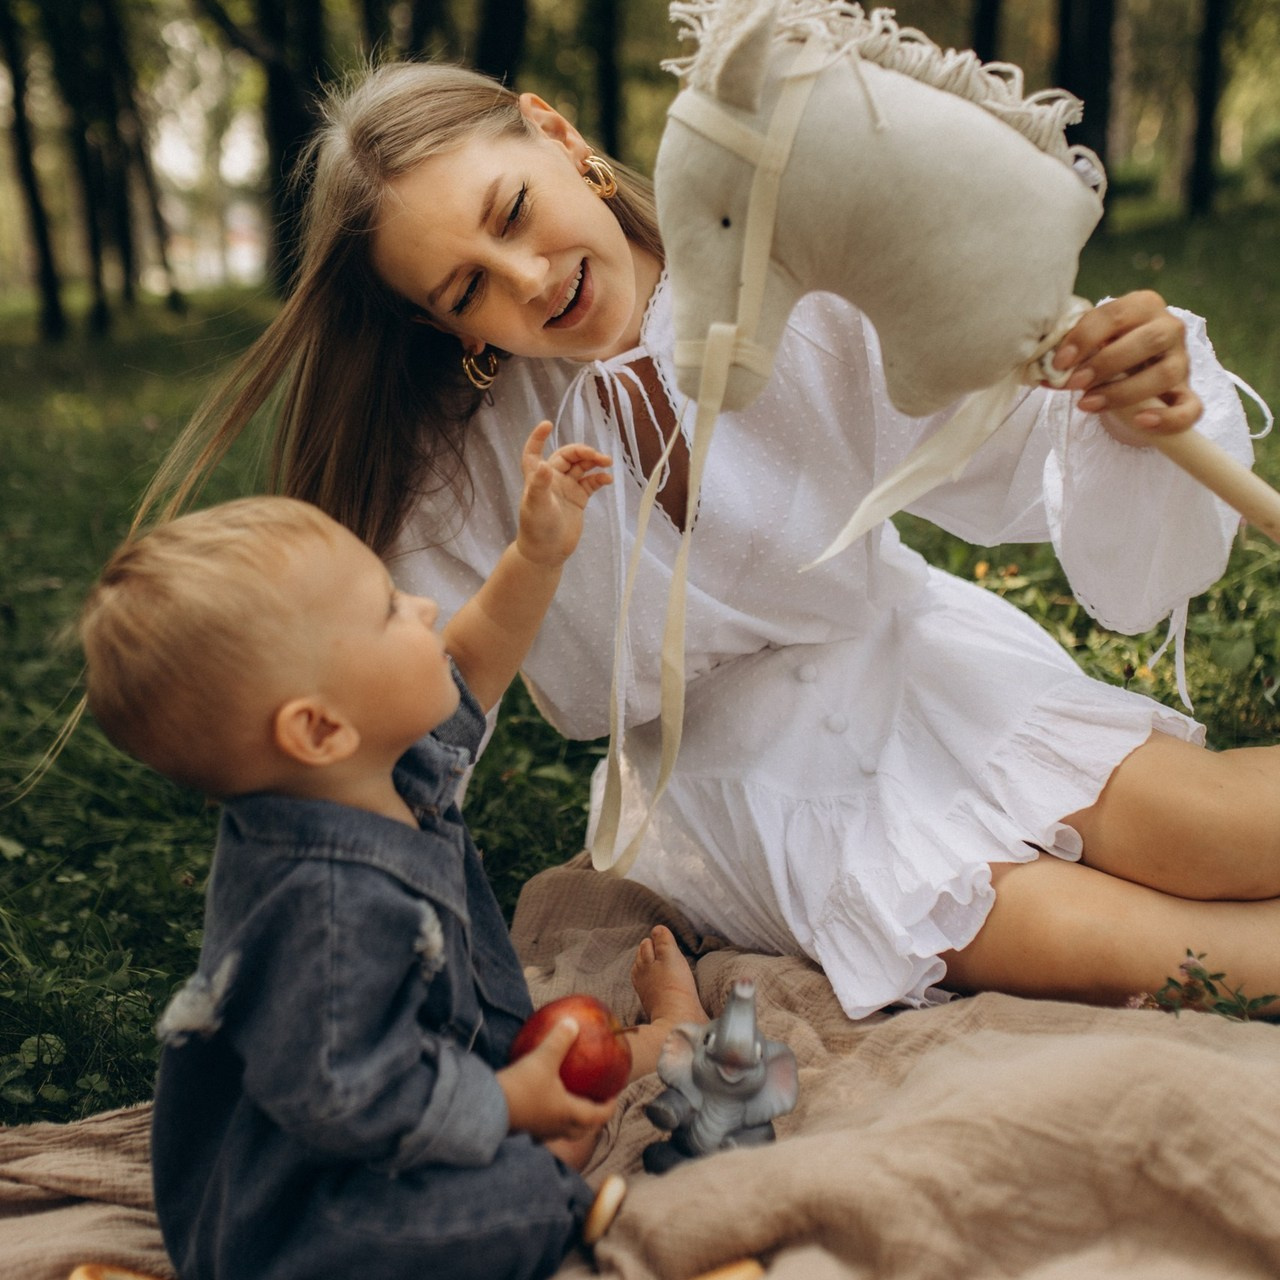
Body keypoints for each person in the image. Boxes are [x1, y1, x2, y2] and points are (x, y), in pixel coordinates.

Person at [137, 60, 1280, 1023]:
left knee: (1220, 824)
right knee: (1143, 947)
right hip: (739, 789)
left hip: (921, 669)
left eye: (512, 213)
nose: (528, 281)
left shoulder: (797, 287)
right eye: (465, 289)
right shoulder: (458, 468)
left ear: (553, 131)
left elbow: (1026, 447)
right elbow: (410, 696)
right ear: (443, 328)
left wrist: (1131, 401)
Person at [79, 425, 709, 1280]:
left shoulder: (368, 771)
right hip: (306, 1217)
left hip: (421, 1103)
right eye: (387, 609)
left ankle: (664, 1044)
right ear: (320, 727)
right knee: (522, 1202)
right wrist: (502, 1105)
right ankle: (585, 1225)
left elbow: (477, 654)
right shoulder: (327, 908)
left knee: (554, 1096)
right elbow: (345, 1095)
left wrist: (537, 551)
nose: (420, 607)